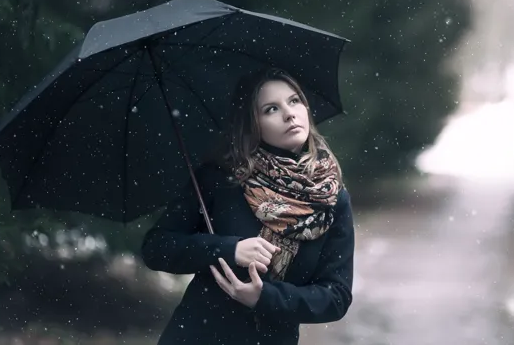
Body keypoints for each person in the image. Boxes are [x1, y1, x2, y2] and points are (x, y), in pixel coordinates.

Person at [141, 67, 355, 344]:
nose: (289, 114)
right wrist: (230, 249)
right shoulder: (221, 179)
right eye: (270, 109)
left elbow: (336, 296)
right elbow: (157, 248)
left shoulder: (331, 199)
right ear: (251, 123)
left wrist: (264, 297)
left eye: (294, 101)